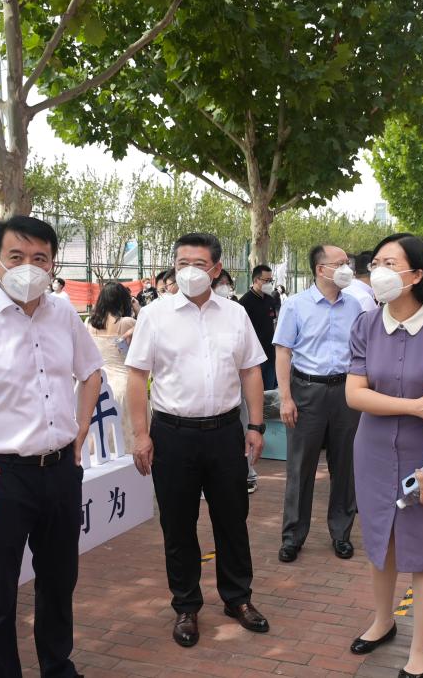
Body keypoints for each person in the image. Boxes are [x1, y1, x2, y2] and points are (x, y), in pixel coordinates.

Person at [0, 215, 103, 678]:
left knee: (59, 583)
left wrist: (80, 427)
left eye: (39, 258)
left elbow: (91, 371)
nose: (28, 267)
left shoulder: (63, 313)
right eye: (16, 256)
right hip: (0, 476)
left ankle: (58, 667)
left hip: (59, 470)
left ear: (53, 263)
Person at [125, 233, 269, 648]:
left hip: (225, 433)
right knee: (178, 524)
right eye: (182, 263)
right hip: (173, 435)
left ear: (217, 269)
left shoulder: (235, 314)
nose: (189, 271)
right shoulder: (155, 315)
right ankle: (186, 605)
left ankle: (238, 598)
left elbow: (251, 371)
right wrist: (141, 434)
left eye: (199, 264)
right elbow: (137, 375)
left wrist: (256, 425)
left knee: (232, 519)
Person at [345, 232, 423, 678]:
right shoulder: (365, 324)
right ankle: (383, 621)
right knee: (381, 542)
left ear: (417, 275)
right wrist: (415, 405)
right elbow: (355, 395)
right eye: (376, 263)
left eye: (390, 264)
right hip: (373, 452)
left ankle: (420, 648)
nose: (379, 271)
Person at [273, 245, 363, 563]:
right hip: (306, 391)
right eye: (340, 263)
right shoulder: (295, 306)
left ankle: (341, 533)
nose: (347, 268)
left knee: (345, 465)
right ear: (320, 269)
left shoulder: (355, 306)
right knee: (300, 466)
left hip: (346, 392)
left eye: (347, 263)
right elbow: (283, 352)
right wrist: (286, 398)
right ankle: (292, 537)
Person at [88, 281, 138, 453]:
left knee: (102, 440)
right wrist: (138, 309)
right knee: (127, 442)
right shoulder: (127, 323)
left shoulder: (90, 323)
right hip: (124, 385)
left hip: (99, 385)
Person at [239, 264, 281, 390]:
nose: (269, 284)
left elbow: (273, 322)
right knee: (256, 391)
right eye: (266, 280)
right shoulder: (245, 302)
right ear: (256, 280)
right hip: (254, 356)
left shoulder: (270, 299)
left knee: (270, 391)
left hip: (270, 352)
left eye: (271, 280)